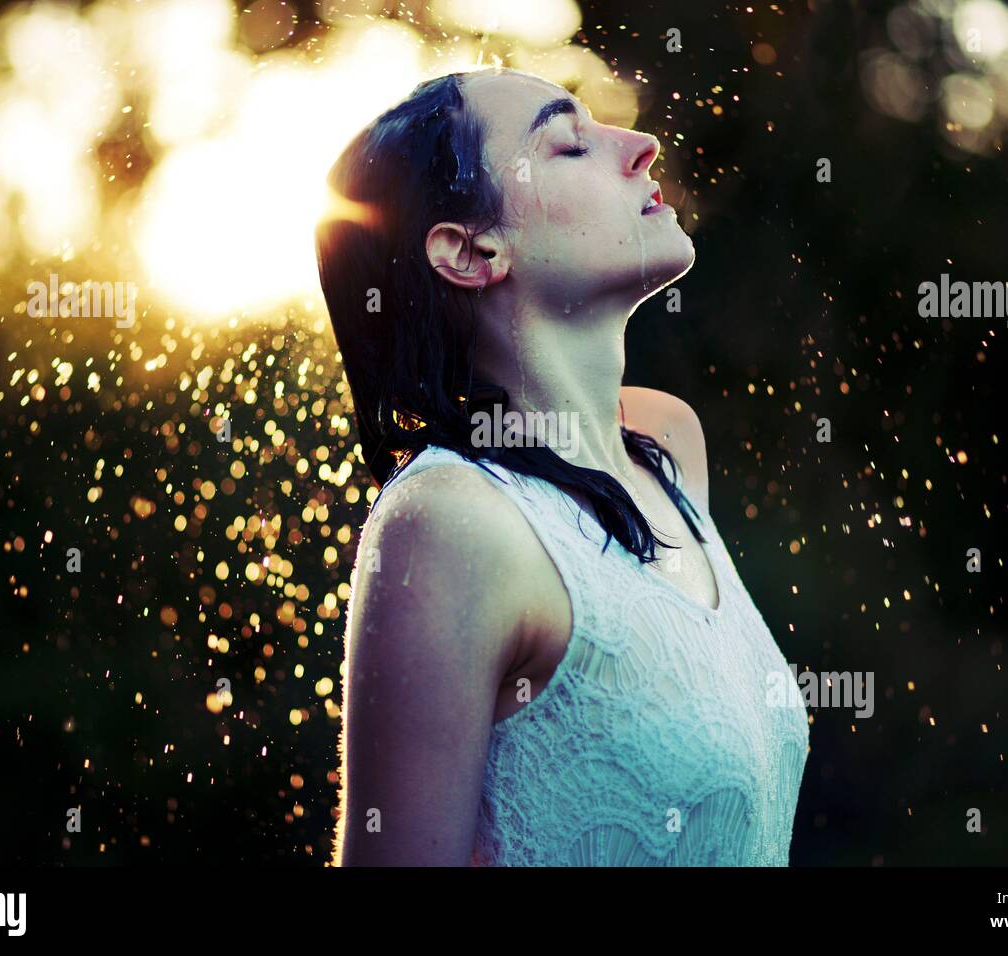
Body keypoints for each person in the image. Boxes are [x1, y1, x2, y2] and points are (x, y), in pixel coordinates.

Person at [314, 67, 807, 865]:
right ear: (471, 252)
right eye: (569, 144)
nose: (642, 147)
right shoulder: (449, 521)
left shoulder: (668, 448)